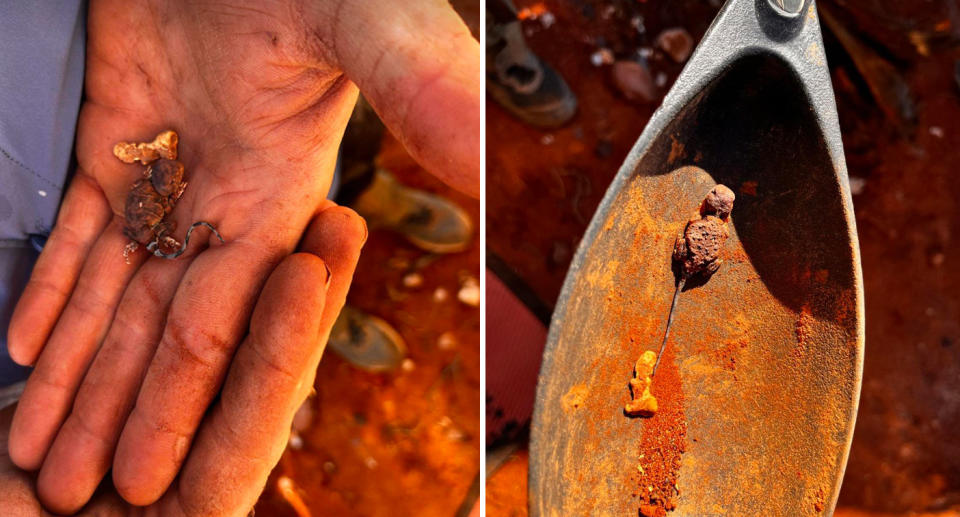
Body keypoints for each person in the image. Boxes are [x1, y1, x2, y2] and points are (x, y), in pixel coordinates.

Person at [0, 1, 480, 515]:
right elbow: (156, 216)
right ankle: (304, 306)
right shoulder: (151, 202)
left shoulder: (178, 162)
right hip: (48, 279)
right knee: (252, 302)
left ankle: (350, 227)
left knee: (296, 217)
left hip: (250, 130)